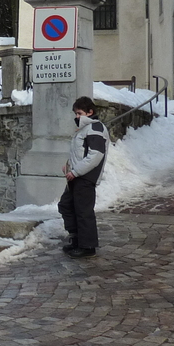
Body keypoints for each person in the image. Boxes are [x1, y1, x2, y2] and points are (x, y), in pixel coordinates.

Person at [60, 96, 108, 258]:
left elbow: (95, 155)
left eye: (79, 113)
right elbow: (79, 153)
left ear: (90, 112)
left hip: (85, 177)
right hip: (77, 176)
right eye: (75, 113)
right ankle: (77, 239)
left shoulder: (95, 129)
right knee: (66, 205)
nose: (77, 117)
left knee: (83, 211)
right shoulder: (85, 129)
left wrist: (76, 172)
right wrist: (69, 166)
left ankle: (87, 246)